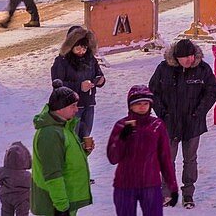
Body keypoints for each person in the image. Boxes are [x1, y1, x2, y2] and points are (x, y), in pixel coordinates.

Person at [148, 38, 216, 209]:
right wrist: (163, 114)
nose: (189, 60)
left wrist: (199, 113)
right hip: (169, 124)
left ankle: (188, 194)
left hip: (192, 124)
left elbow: (212, 92)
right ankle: (166, 194)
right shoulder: (163, 69)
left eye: (191, 56)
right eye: (185, 58)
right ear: (176, 58)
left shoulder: (203, 69)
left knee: (190, 160)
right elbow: (152, 91)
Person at [107, 85, 179, 215]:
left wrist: (172, 186)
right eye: (138, 103)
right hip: (125, 185)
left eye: (146, 103)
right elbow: (113, 158)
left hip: (150, 184)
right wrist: (122, 138)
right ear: (130, 105)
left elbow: (165, 159)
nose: (142, 107)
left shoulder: (157, 126)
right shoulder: (121, 126)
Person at [31, 80, 92, 216]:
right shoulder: (50, 134)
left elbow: (63, 159)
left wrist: (83, 151)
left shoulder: (62, 127)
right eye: (73, 106)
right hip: (54, 206)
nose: (77, 110)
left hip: (64, 199)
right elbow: (52, 173)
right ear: (60, 107)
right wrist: (61, 207)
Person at [50, 26, 106, 154]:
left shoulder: (90, 59)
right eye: (78, 47)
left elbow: (98, 74)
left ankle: (82, 160)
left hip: (89, 104)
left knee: (85, 138)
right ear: (70, 46)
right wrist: (79, 86)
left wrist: (100, 80)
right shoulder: (61, 62)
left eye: (85, 48)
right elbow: (57, 85)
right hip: (71, 107)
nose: (82, 51)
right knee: (71, 139)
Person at [0, 141, 32, 216]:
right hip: (22, 198)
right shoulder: (26, 176)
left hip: (5, 196)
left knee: (6, 212)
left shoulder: (2, 172)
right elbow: (32, 184)